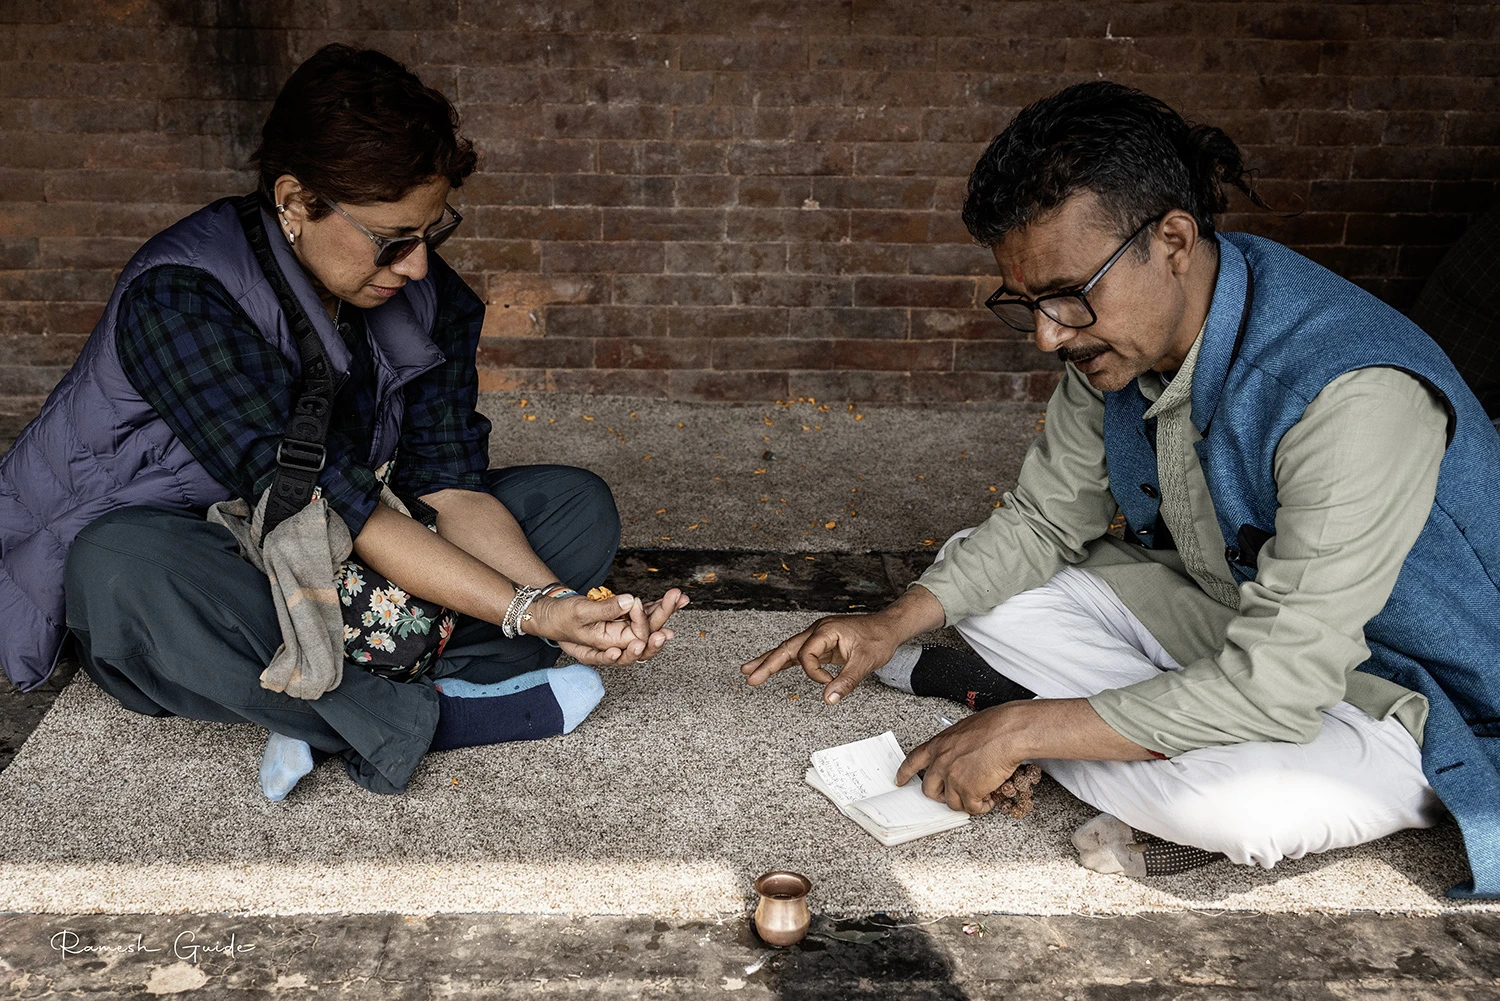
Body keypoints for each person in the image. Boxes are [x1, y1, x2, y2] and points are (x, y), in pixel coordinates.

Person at [744, 82, 1500, 898]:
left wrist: (1022, 727)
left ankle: (1054, 725)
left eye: (1068, 294)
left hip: (1406, 696)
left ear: (1173, 239)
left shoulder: (1351, 393)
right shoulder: (1118, 343)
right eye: (1028, 304)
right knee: (981, 582)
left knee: (1239, 812)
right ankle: (1108, 731)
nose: (1047, 335)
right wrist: (889, 625)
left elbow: (1280, 680)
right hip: (1234, 616)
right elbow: (1041, 520)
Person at [0, 45, 686, 799]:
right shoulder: (181, 298)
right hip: (212, 558)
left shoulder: (429, 298)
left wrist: (563, 609)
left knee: (575, 506)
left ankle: (316, 699)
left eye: (433, 233)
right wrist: (526, 612)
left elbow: (449, 486)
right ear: (295, 200)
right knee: (115, 567)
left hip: (346, 555)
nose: (418, 266)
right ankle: (422, 711)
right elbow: (322, 502)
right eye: (392, 240)